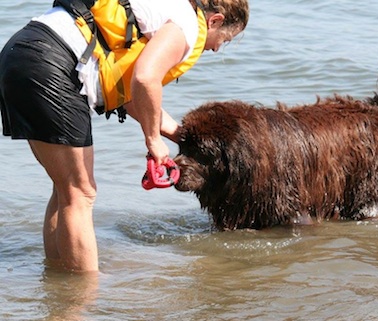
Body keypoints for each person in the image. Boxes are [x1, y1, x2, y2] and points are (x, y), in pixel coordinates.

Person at [0, 0, 249, 273]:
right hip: (50, 63)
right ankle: (81, 297)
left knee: (66, 190)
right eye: (224, 40)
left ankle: (57, 282)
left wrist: (182, 137)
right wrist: (153, 140)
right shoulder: (187, 24)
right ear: (214, 20)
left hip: (21, 53)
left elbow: (132, 95)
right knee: (80, 194)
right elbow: (144, 78)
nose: (215, 48)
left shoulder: (164, 8)